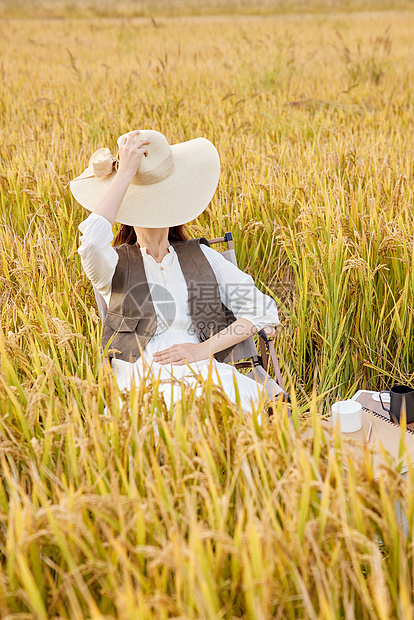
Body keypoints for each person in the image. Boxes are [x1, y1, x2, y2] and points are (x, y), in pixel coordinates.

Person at [71, 129, 282, 415]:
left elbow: (262, 309)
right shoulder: (115, 264)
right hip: (141, 379)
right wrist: (125, 175)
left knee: (225, 406)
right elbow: (93, 242)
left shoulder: (200, 256)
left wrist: (202, 350)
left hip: (202, 373)